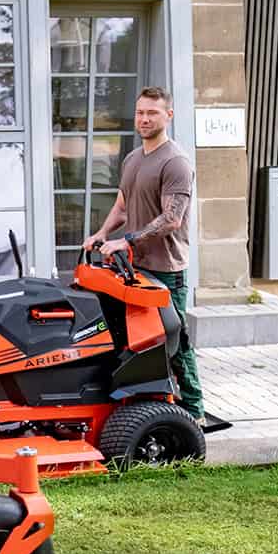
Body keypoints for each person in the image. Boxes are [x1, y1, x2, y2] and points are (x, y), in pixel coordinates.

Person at [85, 86, 203, 422]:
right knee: (133, 339)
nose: (145, 119)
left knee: (175, 343)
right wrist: (102, 233)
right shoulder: (133, 159)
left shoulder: (175, 162)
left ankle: (194, 410)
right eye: (140, 112)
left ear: (169, 115)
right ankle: (150, 402)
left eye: (152, 112)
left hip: (166, 269)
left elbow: (172, 218)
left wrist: (127, 241)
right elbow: (122, 206)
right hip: (134, 269)